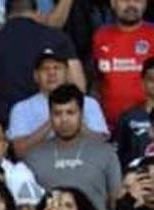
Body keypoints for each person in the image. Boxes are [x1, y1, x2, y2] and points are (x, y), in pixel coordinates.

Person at [24, 85, 124, 210]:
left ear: (81, 114)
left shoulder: (106, 153)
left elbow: (115, 201)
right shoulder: (33, 157)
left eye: (70, 112)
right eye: (57, 113)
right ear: (50, 116)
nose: (64, 120)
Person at [0, 1, 82, 124]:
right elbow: (78, 85)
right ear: (37, 13)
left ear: (5, 14)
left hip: (4, 123)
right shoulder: (57, 39)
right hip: (51, 123)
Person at [9, 50, 109, 159]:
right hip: (39, 167)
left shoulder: (89, 103)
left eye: (57, 67)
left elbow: (101, 145)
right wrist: (52, 122)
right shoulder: (21, 108)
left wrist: (74, 124)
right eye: (45, 69)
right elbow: (20, 152)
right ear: (36, 76)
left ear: (66, 73)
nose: (52, 73)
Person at [92, 0, 154, 129]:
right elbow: (96, 81)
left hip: (149, 127)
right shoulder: (100, 36)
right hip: (110, 127)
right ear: (113, 3)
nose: (131, 4)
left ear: (146, 3)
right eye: (124, 0)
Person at [114, 57, 154, 168]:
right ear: (142, 82)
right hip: (136, 180)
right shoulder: (128, 117)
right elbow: (116, 156)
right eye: (152, 79)